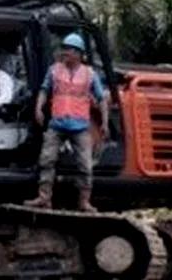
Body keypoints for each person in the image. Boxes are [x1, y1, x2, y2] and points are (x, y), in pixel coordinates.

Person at [25, 32, 109, 212]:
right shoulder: (54, 70)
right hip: (57, 123)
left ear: (78, 53)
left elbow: (101, 99)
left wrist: (105, 123)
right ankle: (44, 197)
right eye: (63, 49)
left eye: (68, 50)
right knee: (47, 159)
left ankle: (84, 201)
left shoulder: (89, 74)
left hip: (80, 125)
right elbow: (44, 90)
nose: (64, 53)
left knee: (85, 165)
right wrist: (38, 108)